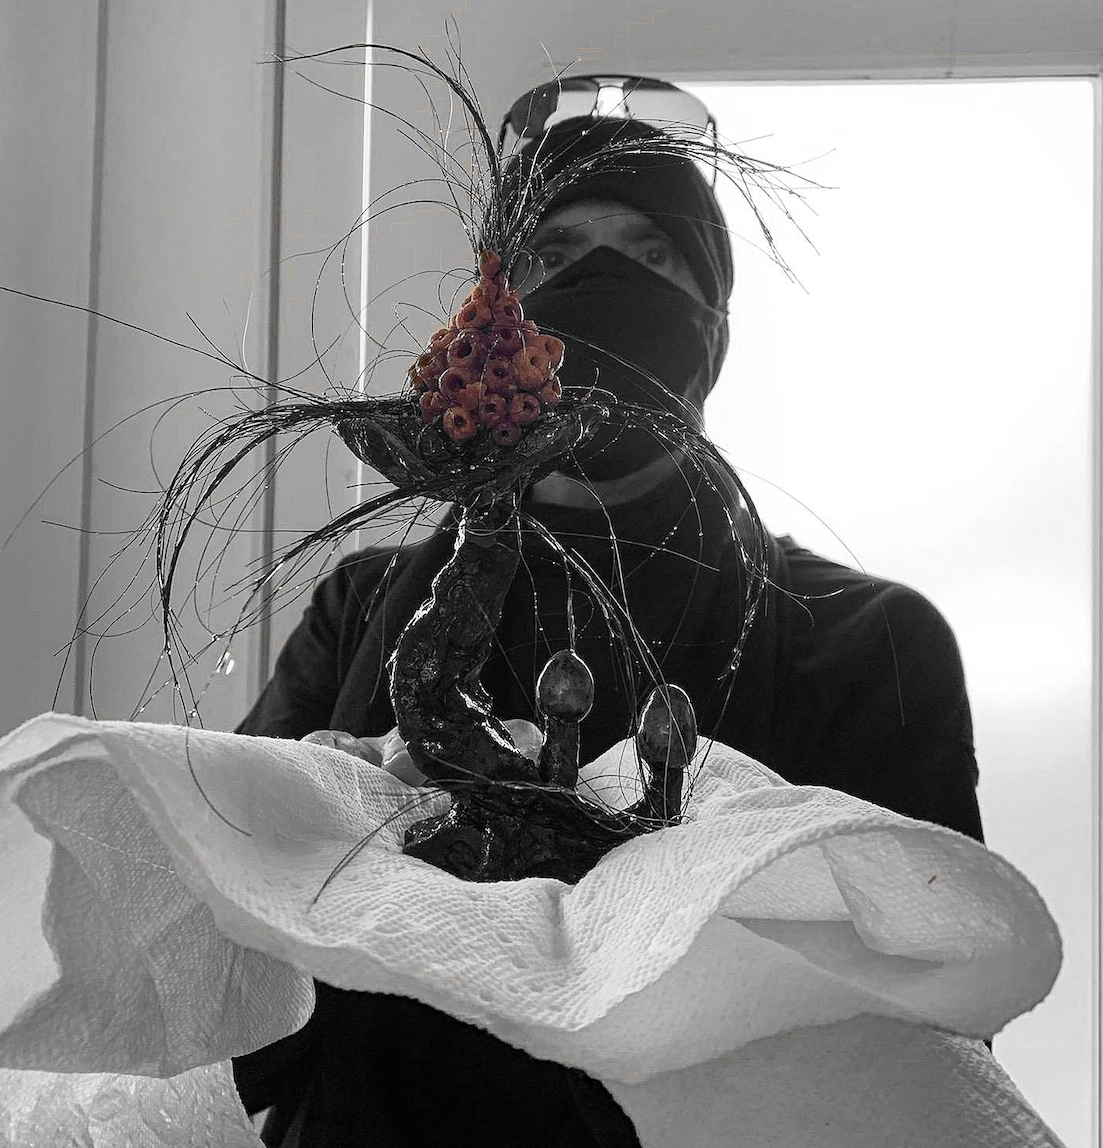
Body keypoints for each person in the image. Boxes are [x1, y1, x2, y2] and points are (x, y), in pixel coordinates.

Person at [231, 84, 985, 1146]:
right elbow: (225, 986)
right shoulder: (363, 612)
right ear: (491, 318)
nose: (601, 280)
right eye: (554, 253)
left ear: (711, 326)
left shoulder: (867, 642)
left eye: (651, 253)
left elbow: (922, 1040)